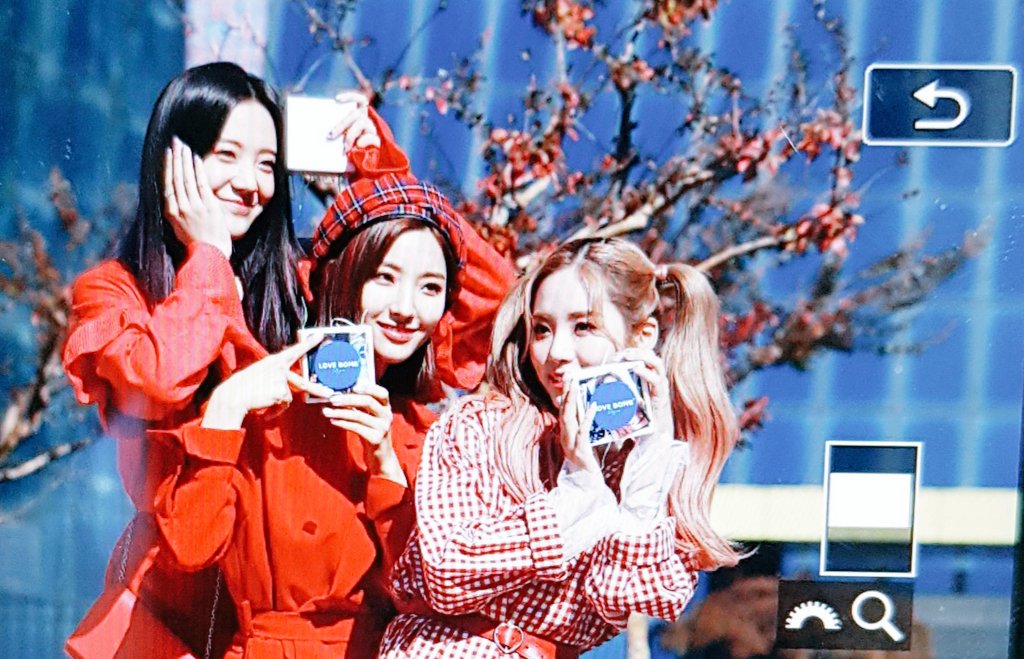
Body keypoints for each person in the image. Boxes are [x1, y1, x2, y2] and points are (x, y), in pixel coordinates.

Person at [62, 61, 405, 658]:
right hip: (173, 620)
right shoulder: (112, 293)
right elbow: (159, 379)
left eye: (268, 164)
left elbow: (452, 308)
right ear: (173, 158)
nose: (253, 184)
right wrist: (209, 260)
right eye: (228, 155)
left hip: (291, 627)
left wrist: (378, 171)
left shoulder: (299, 284)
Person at [151, 171, 516, 658]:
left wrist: (386, 465)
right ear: (343, 276)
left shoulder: (433, 439)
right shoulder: (262, 404)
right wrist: (226, 407)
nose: (405, 308)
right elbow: (188, 550)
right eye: (385, 277)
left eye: (430, 288)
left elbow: (433, 597)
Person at [379, 237, 742, 657]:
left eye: (583, 327)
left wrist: (649, 455)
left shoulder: (648, 465)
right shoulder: (480, 425)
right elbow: (446, 570)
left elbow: (625, 598)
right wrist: (577, 492)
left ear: (642, 336)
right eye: (542, 329)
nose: (556, 353)